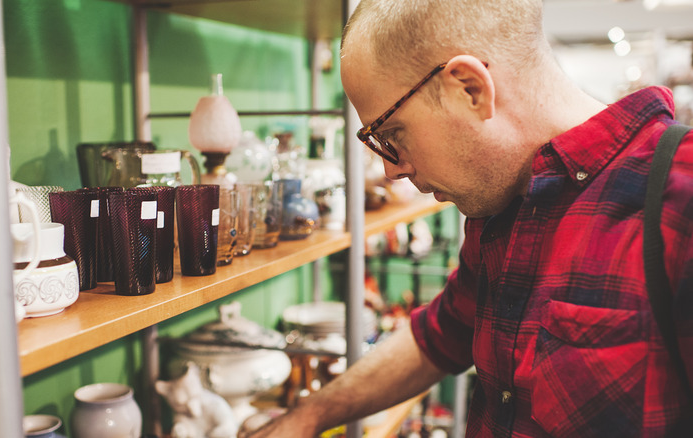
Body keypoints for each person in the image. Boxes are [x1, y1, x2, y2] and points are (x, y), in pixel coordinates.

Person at [246, 0, 693, 436]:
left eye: (390, 134)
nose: (390, 168)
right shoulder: (502, 201)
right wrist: (308, 416)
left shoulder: (679, 197)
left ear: (470, 88)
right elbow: (442, 333)